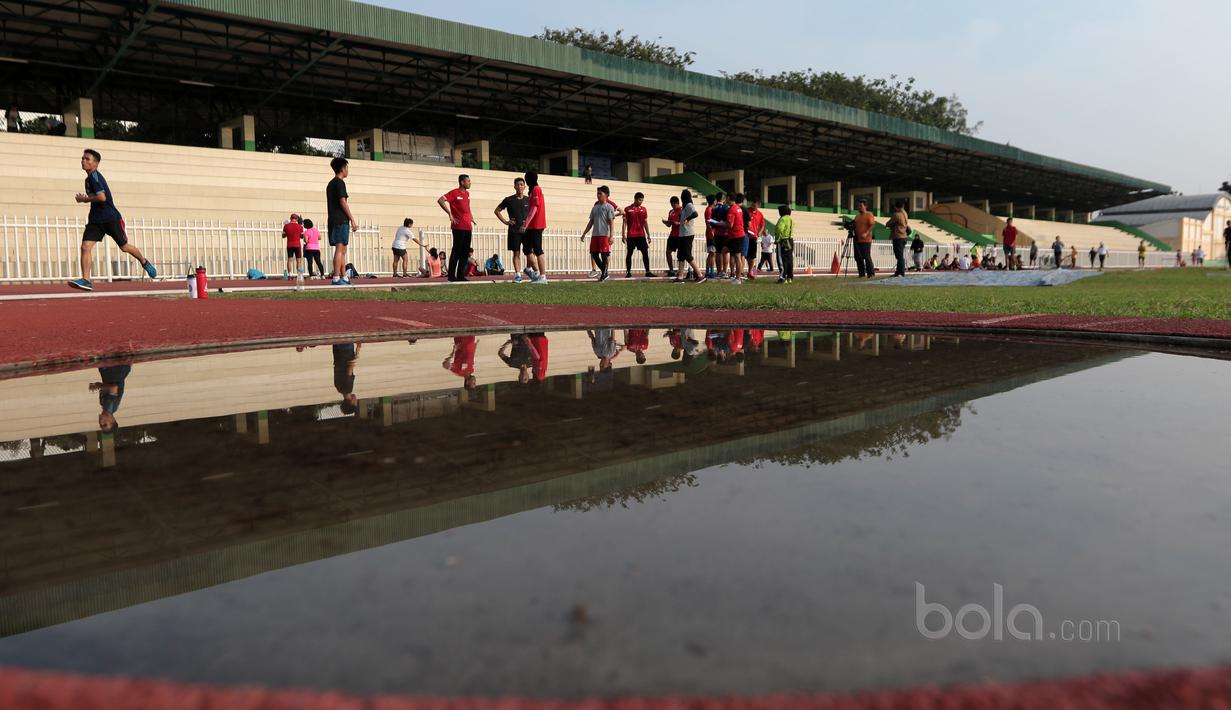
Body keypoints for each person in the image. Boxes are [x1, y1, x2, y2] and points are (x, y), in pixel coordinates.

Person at [68, 149, 157, 291]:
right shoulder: (88, 179)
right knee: (85, 247)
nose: (83, 161)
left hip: (111, 218)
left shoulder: (94, 177)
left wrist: (84, 199)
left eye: (87, 159)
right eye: (83, 158)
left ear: (95, 163)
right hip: (96, 220)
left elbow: (102, 197)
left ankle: (144, 262)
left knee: (124, 247)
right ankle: (86, 280)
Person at [325, 157, 358, 285]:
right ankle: (336, 277)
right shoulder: (339, 183)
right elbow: (343, 202)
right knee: (340, 249)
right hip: (340, 220)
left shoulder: (330, 184)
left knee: (343, 249)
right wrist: (352, 219)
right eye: (347, 168)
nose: (348, 170)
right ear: (342, 169)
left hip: (335, 219)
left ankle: (344, 276)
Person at [437, 174, 474, 282]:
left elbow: (467, 207)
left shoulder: (467, 194)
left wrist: (471, 217)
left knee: (465, 251)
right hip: (458, 226)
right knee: (456, 250)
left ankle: (460, 275)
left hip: (468, 226)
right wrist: (450, 213)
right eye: (468, 181)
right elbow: (440, 200)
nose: (470, 183)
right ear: (462, 182)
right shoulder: (454, 192)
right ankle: (451, 276)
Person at [494, 177, 529, 283]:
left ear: (525, 186)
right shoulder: (509, 200)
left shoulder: (529, 199)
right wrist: (506, 222)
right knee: (516, 253)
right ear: (514, 186)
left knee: (530, 253)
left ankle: (529, 270)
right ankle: (518, 275)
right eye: (517, 184)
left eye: (521, 184)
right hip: (514, 230)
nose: (519, 186)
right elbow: (497, 211)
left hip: (527, 230)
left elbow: (534, 213)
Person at [581, 185, 619, 282]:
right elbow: (591, 222)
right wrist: (584, 233)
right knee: (594, 254)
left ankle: (603, 274)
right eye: (597, 193)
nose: (598, 195)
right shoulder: (595, 207)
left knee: (604, 254)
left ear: (606, 195)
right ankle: (604, 272)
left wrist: (611, 236)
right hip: (595, 235)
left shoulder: (609, 207)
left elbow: (611, 222)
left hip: (603, 235)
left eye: (600, 193)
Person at [673, 189, 705, 284]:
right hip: (682, 234)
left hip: (687, 234)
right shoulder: (684, 207)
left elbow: (695, 214)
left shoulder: (689, 205)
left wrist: (687, 218)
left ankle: (700, 275)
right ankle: (680, 276)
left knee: (687, 255)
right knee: (681, 255)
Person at [521, 171, 548, 283]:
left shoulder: (536, 189)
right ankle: (530, 269)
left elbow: (535, 208)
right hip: (532, 225)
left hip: (537, 224)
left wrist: (526, 223)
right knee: (527, 248)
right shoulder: (532, 191)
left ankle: (542, 276)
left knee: (537, 249)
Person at [90, 363, 132, 432]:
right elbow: (113, 388)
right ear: (112, 420)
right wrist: (97, 386)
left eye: (101, 425)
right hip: (115, 369)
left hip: (116, 369)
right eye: (105, 424)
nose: (101, 423)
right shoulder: (109, 406)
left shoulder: (104, 404)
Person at [622, 191, 654, 278]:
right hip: (631, 235)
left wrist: (648, 235)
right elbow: (624, 222)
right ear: (635, 199)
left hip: (641, 234)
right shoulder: (627, 209)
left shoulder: (644, 209)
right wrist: (623, 234)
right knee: (630, 253)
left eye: (642, 200)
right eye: (640, 200)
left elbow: (645, 222)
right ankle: (628, 272)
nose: (641, 202)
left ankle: (647, 271)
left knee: (645, 253)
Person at [724, 193, 748, 283]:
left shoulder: (732, 209)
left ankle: (738, 278)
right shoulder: (738, 208)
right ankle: (727, 272)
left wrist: (720, 224)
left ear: (729, 198)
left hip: (736, 235)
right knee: (724, 250)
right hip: (737, 235)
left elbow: (730, 225)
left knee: (737, 256)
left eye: (726, 198)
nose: (725, 200)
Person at [333, 343, 361, 415]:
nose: (356, 400)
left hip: (346, 352)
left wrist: (357, 352)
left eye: (355, 403)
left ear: (351, 402)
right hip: (337, 353)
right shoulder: (338, 389)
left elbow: (350, 367)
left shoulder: (348, 389)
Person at [853, 199, 876, 278]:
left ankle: (871, 273)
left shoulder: (869, 215)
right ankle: (861, 274)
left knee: (866, 256)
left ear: (865, 206)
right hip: (857, 239)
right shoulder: (857, 216)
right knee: (858, 257)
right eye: (858, 206)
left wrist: (866, 233)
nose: (859, 207)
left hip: (866, 239)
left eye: (861, 206)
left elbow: (872, 225)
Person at [746, 197, 765, 280]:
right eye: (753, 204)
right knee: (745, 255)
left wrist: (759, 233)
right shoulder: (746, 211)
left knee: (752, 255)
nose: (754, 206)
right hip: (745, 235)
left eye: (756, 205)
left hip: (753, 237)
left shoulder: (760, 214)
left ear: (758, 205)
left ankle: (750, 272)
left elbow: (762, 225)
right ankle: (743, 270)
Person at [888, 203, 909, 277]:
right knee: (900, 255)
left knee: (899, 256)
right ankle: (898, 271)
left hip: (898, 236)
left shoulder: (897, 215)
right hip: (904, 236)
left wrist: (892, 225)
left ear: (896, 207)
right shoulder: (905, 214)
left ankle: (901, 272)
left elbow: (888, 223)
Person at [775, 204, 795, 283]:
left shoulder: (782, 219)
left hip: (783, 240)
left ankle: (783, 277)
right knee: (789, 259)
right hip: (790, 240)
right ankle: (790, 277)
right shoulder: (791, 219)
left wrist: (778, 239)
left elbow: (780, 229)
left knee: (781, 259)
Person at [663, 196, 682, 278]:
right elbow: (669, 225)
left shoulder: (682, 210)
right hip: (672, 235)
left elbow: (684, 222)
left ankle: (679, 271)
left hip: (680, 235)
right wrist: (666, 222)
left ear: (678, 203)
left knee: (680, 254)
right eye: (672, 205)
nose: (673, 207)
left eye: (674, 205)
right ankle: (671, 270)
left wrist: (677, 223)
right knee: (668, 252)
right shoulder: (671, 211)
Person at [282, 213, 304, 279]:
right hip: (297, 244)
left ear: (290, 218)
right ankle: (299, 275)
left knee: (289, 260)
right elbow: (302, 236)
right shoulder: (300, 226)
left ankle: (290, 275)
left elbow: (283, 236)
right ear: (296, 219)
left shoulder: (286, 226)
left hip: (289, 244)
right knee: (298, 260)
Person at [703, 193, 719, 279]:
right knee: (712, 253)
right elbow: (708, 222)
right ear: (713, 201)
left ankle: (710, 271)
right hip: (711, 233)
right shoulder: (709, 210)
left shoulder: (712, 209)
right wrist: (711, 232)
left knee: (713, 253)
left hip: (713, 233)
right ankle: (709, 271)